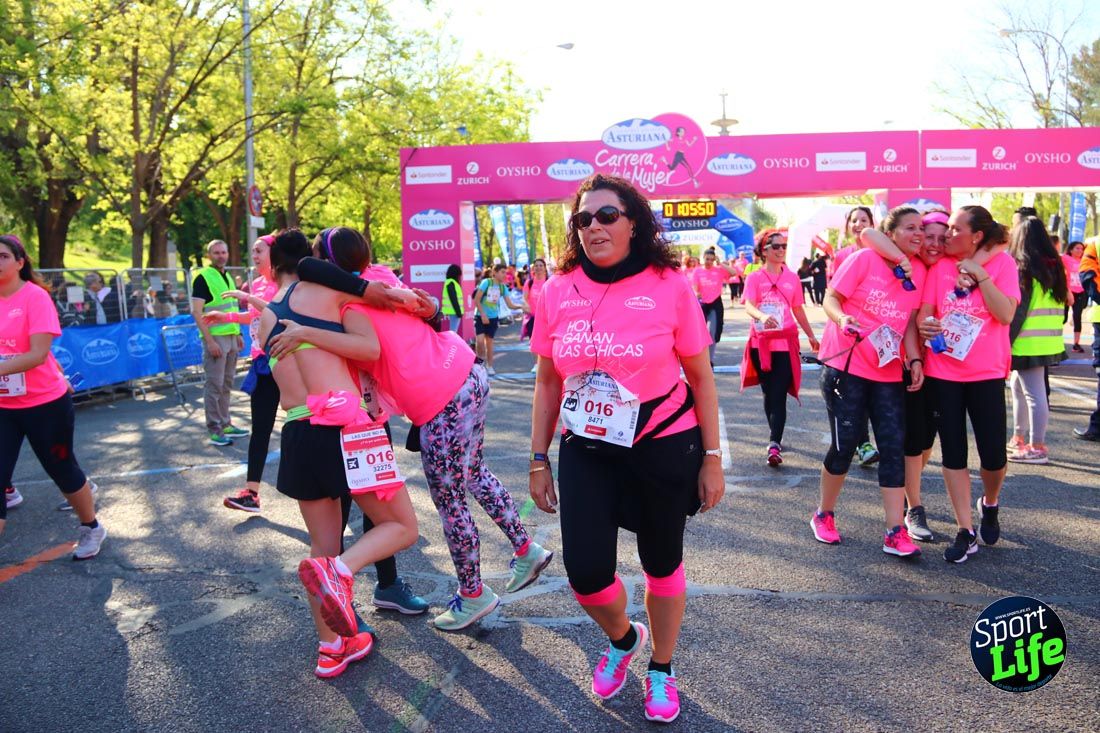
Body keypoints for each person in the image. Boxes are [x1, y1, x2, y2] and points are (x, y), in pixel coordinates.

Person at [273, 227, 552, 631]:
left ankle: (473, 595)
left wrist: (303, 331)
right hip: (467, 373)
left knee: (451, 501)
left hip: (439, 397)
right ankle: (525, 548)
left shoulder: (351, 304)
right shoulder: (383, 277)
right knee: (473, 474)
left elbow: (361, 341)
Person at [529, 174, 725, 724]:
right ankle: (623, 638)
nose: (594, 226)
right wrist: (538, 458)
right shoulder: (556, 289)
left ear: (633, 221)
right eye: (583, 220)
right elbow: (547, 381)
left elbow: (701, 378)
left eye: (607, 216)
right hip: (587, 446)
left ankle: (661, 667)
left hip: (663, 444)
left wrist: (712, 458)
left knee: (661, 564)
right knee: (586, 574)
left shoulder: (668, 285)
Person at [257, 228, 419, 677]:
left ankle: (331, 648)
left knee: (321, 546)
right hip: (349, 427)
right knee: (403, 527)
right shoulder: (333, 293)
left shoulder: (268, 315)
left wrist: (306, 334)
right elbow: (369, 348)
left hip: (297, 433)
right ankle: (342, 572)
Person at [811, 207, 925, 559]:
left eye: (921, 228)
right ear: (891, 233)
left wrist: (914, 358)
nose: (918, 234)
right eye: (910, 228)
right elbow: (832, 298)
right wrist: (842, 317)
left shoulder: (919, 270)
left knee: (892, 447)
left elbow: (906, 322)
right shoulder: (864, 259)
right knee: (845, 446)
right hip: (846, 365)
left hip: (888, 370)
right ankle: (823, 514)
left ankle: (895, 530)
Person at [918, 206, 1020, 564]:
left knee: (993, 456)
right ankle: (965, 529)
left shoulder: (1002, 265)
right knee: (954, 452)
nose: (946, 234)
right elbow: (925, 311)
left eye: (954, 228)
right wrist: (927, 324)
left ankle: (989, 502)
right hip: (943, 370)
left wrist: (981, 275)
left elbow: (1005, 314)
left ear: (976, 235)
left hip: (987, 372)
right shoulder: (941, 267)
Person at [0, 235, 106, 558]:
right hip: (4, 406)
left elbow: (37, 353)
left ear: (20, 263)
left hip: (45, 404)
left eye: (3, 256)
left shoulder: (35, 297)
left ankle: (92, 527)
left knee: (62, 469)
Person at [202, 235, 280, 513]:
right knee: (260, 429)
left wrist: (248, 298)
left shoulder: (287, 281)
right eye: (253, 251)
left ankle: (346, 488)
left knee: (308, 427)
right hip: (262, 363)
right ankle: (252, 493)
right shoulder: (257, 283)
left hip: (289, 361)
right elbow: (256, 316)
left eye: (260, 251)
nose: (255, 255)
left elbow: (277, 312)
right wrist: (229, 317)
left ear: (275, 253)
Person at [741, 229, 818, 467]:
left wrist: (811, 336)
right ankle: (775, 435)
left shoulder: (792, 278)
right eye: (776, 246)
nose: (781, 250)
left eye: (784, 246)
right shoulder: (754, 277)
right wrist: (763, 317)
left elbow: (797, 309)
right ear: (764, 251)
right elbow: (749, 306)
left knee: (779, 395)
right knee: (768, 394)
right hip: (761, 343)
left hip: (785, 343)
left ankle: (774, 443)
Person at [1006, 218, 1069, 464]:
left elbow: (1018, 311)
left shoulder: (1023, 268)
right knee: (1020, 388)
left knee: (1032, 393)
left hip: (1026, 341)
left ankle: (1037, 445)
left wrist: (1006, 341)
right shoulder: (1054, 266)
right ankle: (1019, 438)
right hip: (1047, 340)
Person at [191, 239, 247, 447]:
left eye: (224, 252)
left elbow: (231, 308)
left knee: (227, 383)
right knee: (214, 385)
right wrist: (210, 341)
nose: (221, 256)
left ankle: (226, 423)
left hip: (231, 337)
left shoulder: (228, 276)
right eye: (216, 253)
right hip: (216, 339)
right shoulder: (203, 277)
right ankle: (214, 429)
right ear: (209, 255)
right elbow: (197, 312)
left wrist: (239, 332)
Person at [473, 263, 526, 376]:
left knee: (489, 343)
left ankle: (490, 366)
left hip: (493, 318)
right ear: (494, 272)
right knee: (480, 341)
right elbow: (477, 300)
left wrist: (521, 306)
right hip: (480, 316)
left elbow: (510, 305)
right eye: (502, 272)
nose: (504, 275)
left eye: (505, 273)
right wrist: (483, 315)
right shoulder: (486, 283)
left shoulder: (502, 287)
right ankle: (479, 365)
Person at [691, 247, 735, 366]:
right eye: (707, 259)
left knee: (712, 332)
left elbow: (734, 273)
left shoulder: (719, 270)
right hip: (702, 304)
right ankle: (700, 358)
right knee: (700, 332)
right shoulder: (697, 271)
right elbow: (694, 288)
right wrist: (697, 293)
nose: (709, 261)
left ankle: (709, 360)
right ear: (703, 259)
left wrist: (721, 264)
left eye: (711, 259)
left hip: (715, 303)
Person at [1062, 240, 1087, 353]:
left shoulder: (1085, 261)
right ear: (1070, 250)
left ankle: (1076, 344)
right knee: (1063, 318)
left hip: (1081, 292)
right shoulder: (1065, 258)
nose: (1080, 251)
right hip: (1067, 292)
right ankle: (1058, 342)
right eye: (1077, 248)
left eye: (1081, 249)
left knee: (1077, 317)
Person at [521, 258, 549, 343]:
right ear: (533, 269)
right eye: (536, 266)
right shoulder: (529, 283)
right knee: (533, 344)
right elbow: (524, 298)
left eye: (541, 265)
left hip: (546, 319)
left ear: (545, 268)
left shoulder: (549, 282)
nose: (538, 267)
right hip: (532, 318)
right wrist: (526, 306)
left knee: (545, 343)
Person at [441, 264, 464, 333]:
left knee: (453, 332)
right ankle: (451, 344)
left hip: (452, 311)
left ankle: (451, 344)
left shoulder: (450, 282)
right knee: (453, 332)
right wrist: (458, 312)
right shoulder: (451, 283)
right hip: (454, 311)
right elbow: (453, 298)